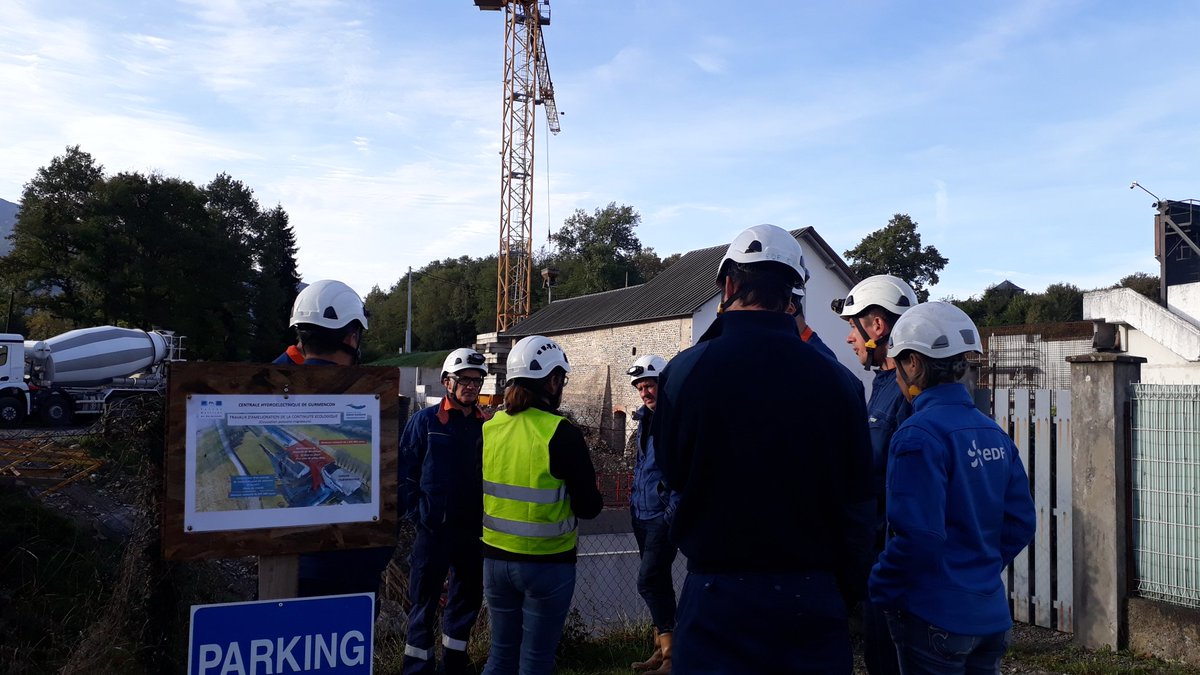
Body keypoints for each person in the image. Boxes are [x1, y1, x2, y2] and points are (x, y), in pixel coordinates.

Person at [653, 224, 875, 674]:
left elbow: (671, 476)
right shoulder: (839, 382)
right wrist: (844, 589)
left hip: (716, 596)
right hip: (811, 597)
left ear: (729, 285)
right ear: (793, 294)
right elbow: (858, 501)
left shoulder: (683, 373)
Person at [869, 301, 1037, 674]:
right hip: (989, 613)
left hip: (933, 616)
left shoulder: (917, 434)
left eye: (897, 363)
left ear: (913, 363)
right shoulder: (992, 430)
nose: (896, 373)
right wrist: (976, 568)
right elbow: (1021, 522)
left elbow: (918, 537)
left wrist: (879, 585)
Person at [480, 335, 603, 675]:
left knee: (500, 656)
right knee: (535, 661)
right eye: (560, 379)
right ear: (552, 381)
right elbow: (589, 506)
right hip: (547, 564)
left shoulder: (491, 428)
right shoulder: (561, 433)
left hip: (495, 559)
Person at [287, 280, 395, 598]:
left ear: (300, 338)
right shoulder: (373, 401)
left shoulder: (273, 390)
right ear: (351, 337)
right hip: (352, 577)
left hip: (287, 571)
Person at [835, 274, 919, 675]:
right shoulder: (884, 384)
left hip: (893, 568)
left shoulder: (905, 392)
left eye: (853, 327)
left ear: (876, 327)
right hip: (877, 563)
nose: (851, 339)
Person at [398, 347, 490, 675]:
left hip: (471, 532)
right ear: (447, 383)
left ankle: (454, 665)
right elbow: (405, 474)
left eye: (477, 381)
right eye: (464, 379)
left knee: (465, 603)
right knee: (422, 604)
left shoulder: (487, 427)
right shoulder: (423, 423)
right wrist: (419, 514)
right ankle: (417, 669)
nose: (471, 386)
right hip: (433, 533)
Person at [625, 354, 678, 675]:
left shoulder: (672, 420)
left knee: (647, 581)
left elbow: (680, 471)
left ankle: (673, 655)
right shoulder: (645, 419)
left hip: (661, 516)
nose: (645, 392)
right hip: (640, 513)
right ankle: (660, 651)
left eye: (650, 385)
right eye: (640, 387)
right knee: (660, 583)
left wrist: (671, 511)